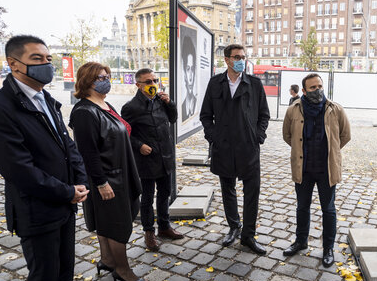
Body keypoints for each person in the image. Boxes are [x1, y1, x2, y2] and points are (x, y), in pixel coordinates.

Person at [0, 35, 103, 281]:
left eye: (48, 58)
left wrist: (81, 181)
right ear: (14, 64)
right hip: (37, 207)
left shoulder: (46, 99)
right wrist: (66, 191)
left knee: (63, 266)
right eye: (37, 59)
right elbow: (18, 169)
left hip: (64, 202)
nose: (47, 64)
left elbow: (67, 146)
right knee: (43, 274)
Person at [69, 62, 146, 281]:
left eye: (107, 75)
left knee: (109, 221)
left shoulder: (103, 104)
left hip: (122, 171)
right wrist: (101, 182)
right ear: (87, 81)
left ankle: (107, 259)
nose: (106, 80)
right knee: (117, 224)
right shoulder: (84, 112)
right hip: (108, 177)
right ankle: (122, 269)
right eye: (100, 77)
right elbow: (88, 152)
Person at [200, 44, 270, 255]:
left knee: (252, 192)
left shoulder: (254, 84)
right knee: (227, 189)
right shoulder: (215, 83)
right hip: (224, 147)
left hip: (249, 147)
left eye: (243, 56)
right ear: (227, 60)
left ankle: (248, 235)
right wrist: (214, 137)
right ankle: (233, 227)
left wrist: (258, 136)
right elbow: (205, 115)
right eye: (237, 56)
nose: (241, 60)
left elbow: (264, 115)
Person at [282, 73, 351, 267]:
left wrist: (331, 153)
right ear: (303, 91)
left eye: (320, 86)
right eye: (312, 87)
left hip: (326, 169)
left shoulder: (335, 109)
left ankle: (328, 248)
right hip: (303, 168)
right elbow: (288, 135)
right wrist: (300, 151)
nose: (318, 90)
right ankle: (301, 241)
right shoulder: (293, 110)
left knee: (328, 209)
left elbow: (345, 136)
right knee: (302, 207)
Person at [121, 68, 183, 251]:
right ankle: (149, 232)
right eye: (148, 82)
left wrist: (170, 102)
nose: (153, 84)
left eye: (155, 80)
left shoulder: (161, 101)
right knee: (147, 198)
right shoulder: (131, 107)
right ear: (138, 85)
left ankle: (165, 226)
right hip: (147, 160)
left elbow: (173, 118)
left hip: (165, 155)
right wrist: (139, 145)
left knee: (165, 194)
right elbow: (124, 132)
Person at [180, 35, 197, 121]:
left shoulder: (198, 105)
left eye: (193, 69)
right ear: (183, 73)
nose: (190, 77)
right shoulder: (181, 108)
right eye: (187, 69)